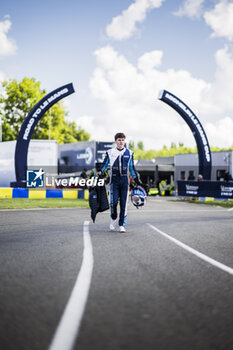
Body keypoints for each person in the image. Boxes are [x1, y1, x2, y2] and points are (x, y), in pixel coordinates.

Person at [97, 132, 140, 233]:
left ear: (125, 141)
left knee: (124, 204)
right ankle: (113, 218)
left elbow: (131, 168)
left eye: (122, 140)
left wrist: (136, 179)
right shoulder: (110, 152)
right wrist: (100, 172)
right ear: (115, 141)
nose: (121, 142)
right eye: (119, 140)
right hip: (114, 181)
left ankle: (122, 225)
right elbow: (105, 163)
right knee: (114, 202)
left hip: (125, 181)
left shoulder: (130, 153)